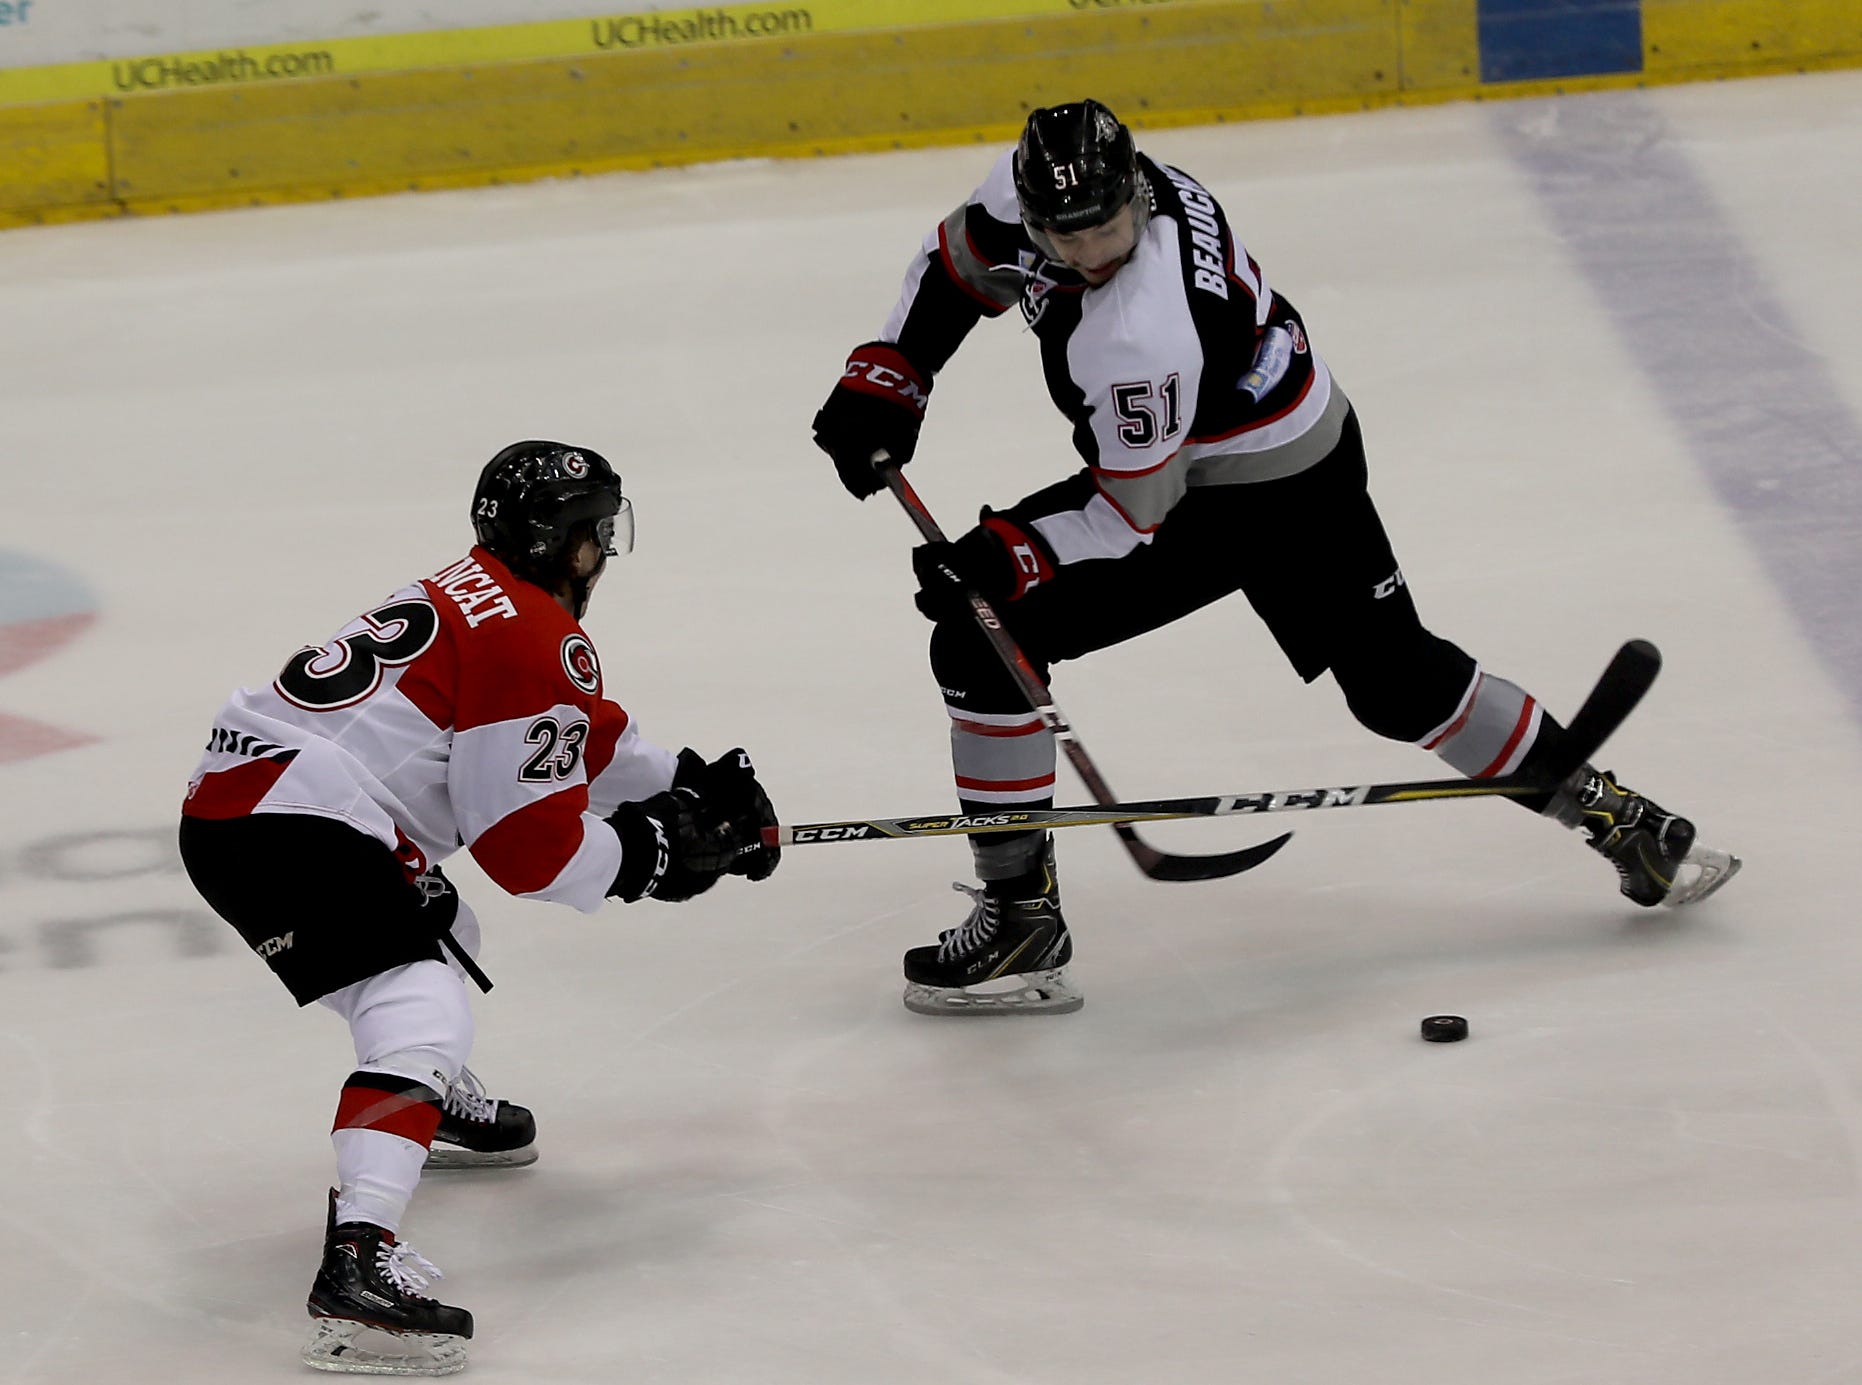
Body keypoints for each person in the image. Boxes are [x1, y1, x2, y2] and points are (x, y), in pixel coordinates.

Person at [810, 99, 1739, 1018]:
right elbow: (960, 262)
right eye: (1066, 235)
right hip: (1299, 431)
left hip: (1249, 490)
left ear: (1135, 194)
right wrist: (897, 372)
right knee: (1396, 680)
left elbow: (1135, 512)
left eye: (1106, 228)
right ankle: (1624, 821)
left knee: (985, 635)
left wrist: (1011, 555)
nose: (1090, 251)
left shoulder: (1143, 331)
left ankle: (1020, 924)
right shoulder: (1059, 194)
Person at [178, 441, 780, 1374]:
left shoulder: (485, 596)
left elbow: (571, 736)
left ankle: (429, 1100)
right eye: (594, 534)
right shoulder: (533, 635)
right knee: (419, 1000)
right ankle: (359, 1262)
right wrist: (655, 853)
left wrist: (690, 783)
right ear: (556, 541)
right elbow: (529, 851)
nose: (603, 554)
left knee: (443, 930)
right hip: (291, 821)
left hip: (250, 802)